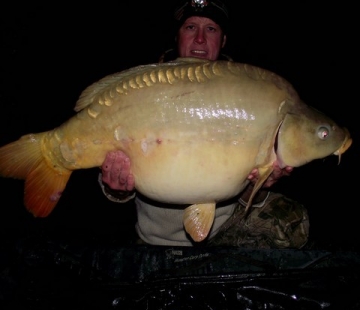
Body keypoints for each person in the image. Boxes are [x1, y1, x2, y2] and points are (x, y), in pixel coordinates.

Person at [98, 0, 310, 248]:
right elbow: (106, 162)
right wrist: (116, 189)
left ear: (223, 40)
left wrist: (259, 183)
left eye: (211, 29)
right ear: (177, 36)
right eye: (190, 27)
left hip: (224, 229)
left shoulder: (246, 94)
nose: (200, 39)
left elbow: (239, 186)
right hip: (154, 238)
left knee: (292, 221)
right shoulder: (144, 88)